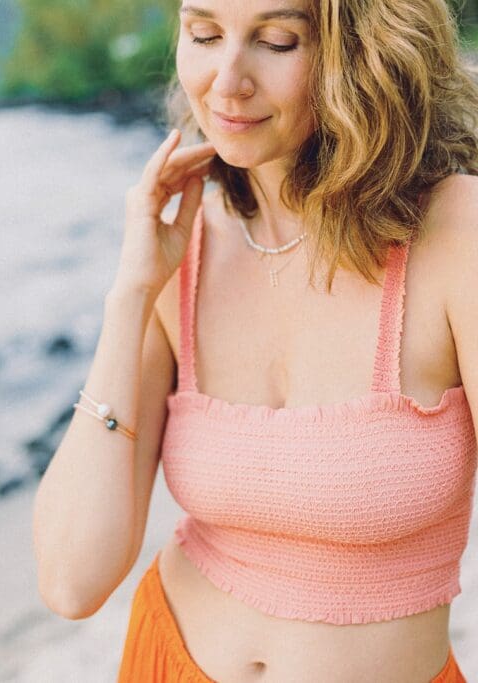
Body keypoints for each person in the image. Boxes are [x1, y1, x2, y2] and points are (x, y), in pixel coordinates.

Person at [33, 0, 478, 680]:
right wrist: (130, 295)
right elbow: (71, 580)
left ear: (361, 54)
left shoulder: (456, 233)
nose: (226, 79)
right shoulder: (180, 247)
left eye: (276, 41)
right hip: (167, 656)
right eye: (203, 34)